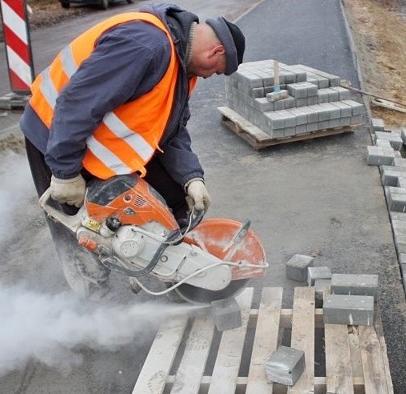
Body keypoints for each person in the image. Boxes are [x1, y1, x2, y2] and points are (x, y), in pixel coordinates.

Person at [20, 3, 245, 300]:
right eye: (217, 72)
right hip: (56, 135)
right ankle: (92, 307)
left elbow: (173, 131)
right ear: (215, 53)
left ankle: (176, 278)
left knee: (177, 200)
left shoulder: (181, 68)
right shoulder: (145, 46)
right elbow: (77, 104)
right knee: (81, 232)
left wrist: (191, 177)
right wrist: (64, 172)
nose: (210, 77)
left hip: (95, 140)